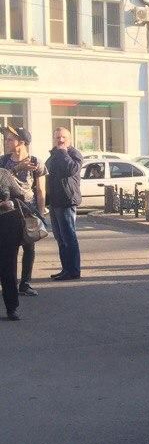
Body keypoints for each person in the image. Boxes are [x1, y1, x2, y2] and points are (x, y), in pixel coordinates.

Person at [0, 126, 46, 296]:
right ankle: (8, 284)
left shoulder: (35, 161)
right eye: (6, 139)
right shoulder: (3, 161)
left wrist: (40, 213)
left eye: (10, 139)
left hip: (28, 210)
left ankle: (25, 284)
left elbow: (41, 190)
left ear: (22, 142)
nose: (6, 141)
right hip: (7, 211)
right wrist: (17, 168)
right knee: (9, 249)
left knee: (29, 247)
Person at [45, 127, 83, 281]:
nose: (60, 140)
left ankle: (73, 271)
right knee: (60, 238)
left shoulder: (73, 154)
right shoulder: (53, 155)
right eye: (57, 138)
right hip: (54, 202)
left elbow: (71, 169)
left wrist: (62, 152)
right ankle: (65, 268)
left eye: (63, 137)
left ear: (70, 139)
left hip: (67, 201)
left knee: (69, 237)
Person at [0, 167, 27, 320]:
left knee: (8, 268)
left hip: (8, 225)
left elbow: (20, 196)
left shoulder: (3, 174)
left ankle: (12, 307)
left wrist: (10, 202)